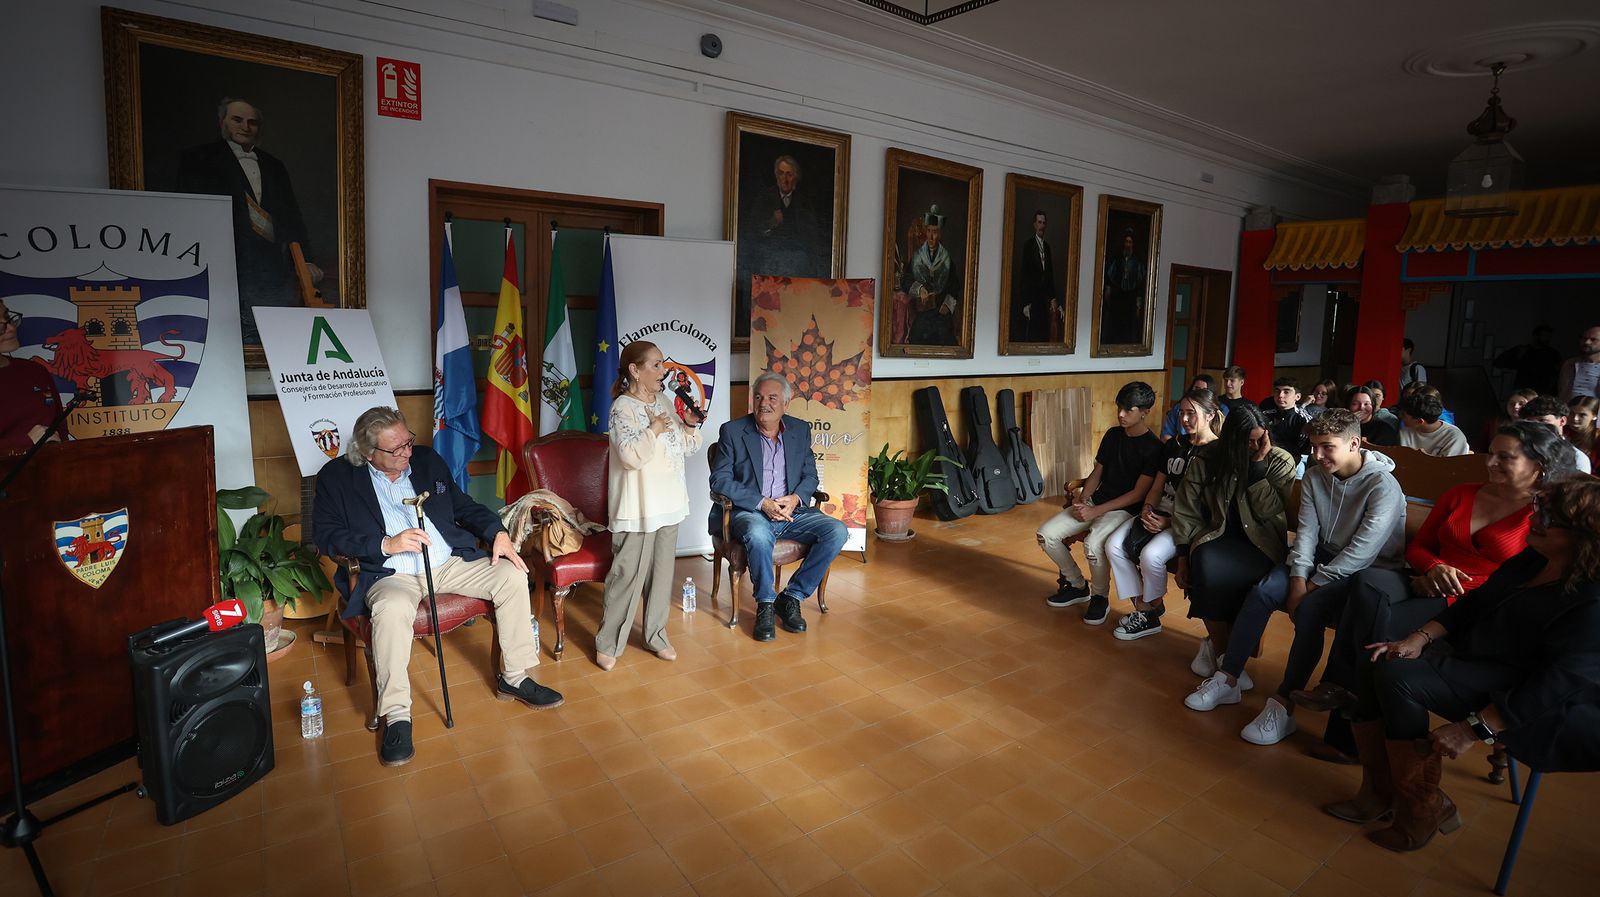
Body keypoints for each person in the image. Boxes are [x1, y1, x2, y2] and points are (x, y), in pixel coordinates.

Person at [1338, 477, 1600, 853]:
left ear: (1582, 536)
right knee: (1382, 656)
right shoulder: (1536, 557)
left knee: (1398, 678)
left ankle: (1419, 808)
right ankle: (1381, 791)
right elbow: (1476, 603)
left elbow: (1557, 684)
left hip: (1530, 703)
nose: (1534, 519)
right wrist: (1417, 638)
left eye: (1547, 516)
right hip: (1484, 660)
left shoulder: (1593, 599)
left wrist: (1473, 729)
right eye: (1539, 509)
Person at [1292, 422, 1575, 748]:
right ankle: (1337, 687)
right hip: (1426, 577)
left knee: (1381, 627)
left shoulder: (1542, 518)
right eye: (1491, 453)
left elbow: (1516, 579)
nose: (1491, 462)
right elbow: (1418, 547)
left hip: (1471, 598)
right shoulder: (1461, 493)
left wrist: (1450, 583)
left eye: (1505, 457)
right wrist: (1434, 568)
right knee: (1368, 582)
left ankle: (1348, 739)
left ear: (1538, 465)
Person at [313, 407, 561, 766]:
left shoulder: (427, 461)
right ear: (367, 452)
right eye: (395, 449)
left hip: (448, 562)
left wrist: (497, 532)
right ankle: (396, 714)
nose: (407, 453)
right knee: (391, 609)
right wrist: (385, 544)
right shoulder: (337, 477)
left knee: (511, 575)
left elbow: (463, 505)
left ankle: (515, 676)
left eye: (408, 442)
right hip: (389, 573)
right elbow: (326, 535)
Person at [1185, 411, 1406, 749]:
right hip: (1321, 558)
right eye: (1314, 447)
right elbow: (1307, 533)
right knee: (1263, 591)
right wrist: (1299, 577)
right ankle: (1228, 677)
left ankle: (1283, 704)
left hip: (1367, 571)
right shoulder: (1316, 476)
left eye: (1327, 447)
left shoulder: (1382, 486)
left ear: (1354, 444)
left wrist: (1309, 587)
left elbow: (1363, 551)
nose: (1317, 455)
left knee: (1309, 610)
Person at [709, 371, 847, 642]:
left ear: (786, 402)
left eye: (772, 398)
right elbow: (720, 480)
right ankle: (766, 604)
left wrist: (795, 498)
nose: (764, 404)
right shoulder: (733, 431)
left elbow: (810, 476)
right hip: (750, 511)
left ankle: (792, 596)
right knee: (758, 534)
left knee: (837, 531)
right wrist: (762, 503)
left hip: (792, 512)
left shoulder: (799, 430)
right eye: (759, 397)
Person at [595, 341, 703, 670]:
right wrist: (654, 428)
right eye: (655, 365)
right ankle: (609, 642)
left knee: (661, 576)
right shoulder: (622, 409)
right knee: (627, 576)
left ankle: (656, 635)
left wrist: (689, 424)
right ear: (634, 370)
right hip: (638, 507)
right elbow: (630, 456)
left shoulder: (665, 401)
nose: (663, 371)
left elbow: (685, 448)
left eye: (662, 364)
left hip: (669, 503)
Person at [177, 97, 320, 344]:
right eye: (237, 120)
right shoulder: (198, 159)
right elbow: (186, 215)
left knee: (277, 339)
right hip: (222, 265)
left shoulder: (274, 165)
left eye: (252, 122)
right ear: (222, 122)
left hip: (271, 271)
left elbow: (292, 216)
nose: (245, 127)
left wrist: (304, 259)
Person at [1172, 403, 1296, 679]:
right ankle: (1223, 655)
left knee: (1247, 579)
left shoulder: (1280, 460)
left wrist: (1257, 468)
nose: (1255, 446)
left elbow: (1268, 510)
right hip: (1218, 534)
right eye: (1248, 441)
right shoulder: (1209, 458)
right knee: (1204, 566)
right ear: (1230, 439)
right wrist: (1182, 557)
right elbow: (1187, 508)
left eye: (1260, 440)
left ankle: (1224, 658)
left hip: (1260, 543)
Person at [1038, 381, 1162, 625]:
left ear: (1145, 411)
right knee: (1045, 535)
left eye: (1128, 410)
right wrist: (1083, 499)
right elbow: (1097, 472)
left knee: (1093, 545)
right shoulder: (1113, 435)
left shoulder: (1154, 448)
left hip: (1124, 510)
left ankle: (1099, 597)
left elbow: (1138, 494)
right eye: (1119, 408)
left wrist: (1095, 510)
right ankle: (1077, 585)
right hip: (1097, 501)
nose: (1121, 414)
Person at [1107, 388, 1221, 641]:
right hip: (1158, 511)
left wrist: (1169, 522)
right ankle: (1146, 608)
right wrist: (1147, 509)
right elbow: (1157, 486)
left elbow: (1209, 506)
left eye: (1191, 413)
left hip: (1186, 523)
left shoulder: (1217, 451)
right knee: (1113, 545)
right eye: (1181, 413)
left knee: (1151, 555)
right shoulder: (1174, 445)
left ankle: (1149, 611)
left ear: (1211, 415)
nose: (1185, 419)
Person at [0, 300, 64, 450]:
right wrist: (24, 442)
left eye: (7, 317)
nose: (11, 328)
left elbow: (60, 426)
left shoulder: (35, 370)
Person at [906, 206, 958, 346]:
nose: (930, 236)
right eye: (928, 231)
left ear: (939, 234)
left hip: (941, 313)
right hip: (923, 312)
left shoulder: (947, 259)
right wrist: (920, 288)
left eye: (934, 232)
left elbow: (955, 286)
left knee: (946, 339)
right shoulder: (917, 257)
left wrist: (947, 305)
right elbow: (906, 279)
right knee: (916, 338)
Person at [1010, 209, 1057, 343]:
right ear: (1035, 225)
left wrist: (1052, 298)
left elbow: (1050, 275)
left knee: (1044, 335)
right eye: (1039, 222)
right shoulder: (1028, 246)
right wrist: (1026, 303)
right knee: (1032, 335)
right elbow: (1024, 275)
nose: (1041, 226)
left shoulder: (1047, 247)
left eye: (1043, 223)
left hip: (1044, 300)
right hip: (1032, 299)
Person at [1521, 395, 1594, 474]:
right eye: (1530, 422)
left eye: (1542, 420)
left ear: (1562, 421)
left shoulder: (1578, 459)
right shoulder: (1519, 451)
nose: (1535, 426)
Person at [1100, 228, 1147, 346]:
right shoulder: (1118, 259)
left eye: (1130, 242)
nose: (1128, 244)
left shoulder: (1137, 262)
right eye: (1126, 242)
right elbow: (1110, 278)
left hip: (1131, 299)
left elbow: (1139, 284)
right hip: (1118, 298)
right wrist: (1108, 291)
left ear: (1133, 244)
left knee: (1129, 329)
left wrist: (1138, 305)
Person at [1398, 388, 1471, 457]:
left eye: (1404, 415)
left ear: (1420, 421)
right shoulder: (1405, 431)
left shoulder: (1454, 436)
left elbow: (1451, 464)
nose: (1400, 416)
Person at [1493, 324, 1561, 395]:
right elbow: (1498, 362)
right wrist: (1518, 357)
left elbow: (1558, 374)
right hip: (1522, 390)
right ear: (1536, 336)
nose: (1547, 339)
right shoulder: (1523, 350)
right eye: (1544, 336)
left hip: (1541, 392)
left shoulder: (1553, 354)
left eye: (1548, 337)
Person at [1262, 376, 1312, 468]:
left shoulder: (1304, 419)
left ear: (1297, 397)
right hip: (1265, 458)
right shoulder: (1265, 415)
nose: (1280, 395)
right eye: (1277, 391)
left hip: (1292, 461)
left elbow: (1300, 448)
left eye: (1286, 392)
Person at [1159, 374, 1215, 440]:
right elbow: (1166, 434)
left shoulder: (1215, 411)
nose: (1184, 419)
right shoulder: (1178, 408)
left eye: (1190, 413)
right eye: (1196, 389)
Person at [1557, 325, 1600, 402]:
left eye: (1593, 339)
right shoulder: (1569, 364)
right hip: (1568, 408)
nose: (1587, 342)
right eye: (1584, 338)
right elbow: (1562, 390)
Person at [1568, 395, 1599, 468]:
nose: (1575, 418)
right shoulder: (1562, 430)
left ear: (1594, 416)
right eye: (1571, 413)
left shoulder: (1597, 438)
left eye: (1582, 415)